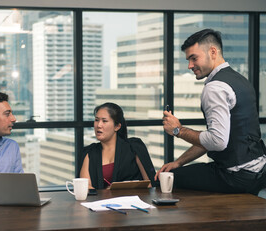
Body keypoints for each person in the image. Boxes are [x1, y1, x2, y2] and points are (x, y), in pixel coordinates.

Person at [156, 29, 266, 195]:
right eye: (188, 60)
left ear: (213, 52)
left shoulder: (214, 87)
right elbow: (216, 137)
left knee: (163, 180)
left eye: (194, 58)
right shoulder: (240, 79)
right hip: (259, 172)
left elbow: (217, 141)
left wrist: (178, 130)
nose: (190, 66)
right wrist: (179, 162)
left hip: (235, 176)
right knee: (177, 172)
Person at [79, 102, 156, 189]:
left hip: (133, 201)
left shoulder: (134, 147)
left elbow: (150, 184)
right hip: (99, 201)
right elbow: (85, 187)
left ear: (117, 126)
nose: (98, 125)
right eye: (96, 120)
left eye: (104, 121)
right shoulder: (90, 152)